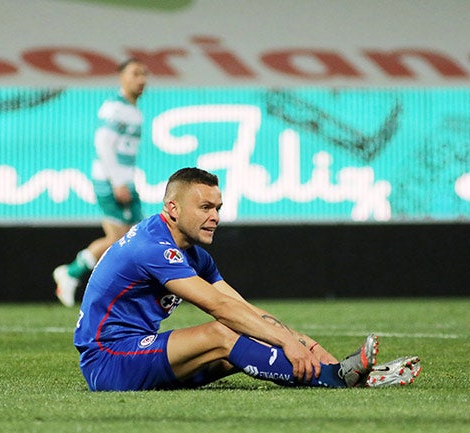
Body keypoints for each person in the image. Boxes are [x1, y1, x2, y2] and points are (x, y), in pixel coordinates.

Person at [73, 167, 421, 391]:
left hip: (135, 354)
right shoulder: (153, 247)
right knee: (222, 334)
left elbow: (243, 308)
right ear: (173, 209)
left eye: (218, 207)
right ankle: (332, 379)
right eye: (205, 208)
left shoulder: (194, 254)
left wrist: (311, 346)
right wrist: (288, 344)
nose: (215, 217)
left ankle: (342, 373)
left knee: (247, 341)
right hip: (108, 361)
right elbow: (219, 307)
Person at [53, 58, 148, 307]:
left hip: (124, 181)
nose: (141, 79)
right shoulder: (116, 108)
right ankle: (77, 276)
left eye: (144, 74)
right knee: (124, 241)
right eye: (135, 74)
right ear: (121, 78)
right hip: (111, 182)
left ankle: (74, 273)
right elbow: (103, 144)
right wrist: (118, 182)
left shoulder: (133, 109)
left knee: (132, 239)